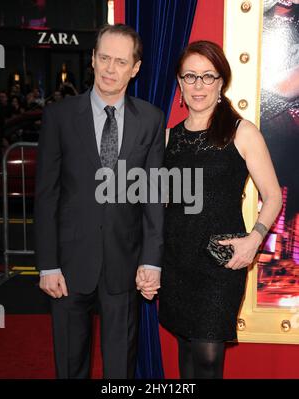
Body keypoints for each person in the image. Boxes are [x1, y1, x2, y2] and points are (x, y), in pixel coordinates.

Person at [139, 40, 282, 379]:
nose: (198, 85)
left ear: (221, 82)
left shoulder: (241, 132)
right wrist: (149, 262)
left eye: (207, 76)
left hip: (219, 262)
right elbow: (156, 206)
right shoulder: (167, 138)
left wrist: (254, 240)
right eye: (190, 76)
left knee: (206, 356)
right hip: (176, 261)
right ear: (179, 83)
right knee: (186, 352)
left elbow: (273, 195)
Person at [34, 23, 165, 379]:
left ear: (135, 68)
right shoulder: (59, 116)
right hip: (67, 264)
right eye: (104, 58)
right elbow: (46, 195)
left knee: (120, 367)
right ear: (92, 59)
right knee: (70, 364)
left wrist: (151, 261)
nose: (110, 68)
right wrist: (47, 264)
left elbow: (153, 195)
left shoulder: (151, 120)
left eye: (120, 61)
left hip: (124, 263)